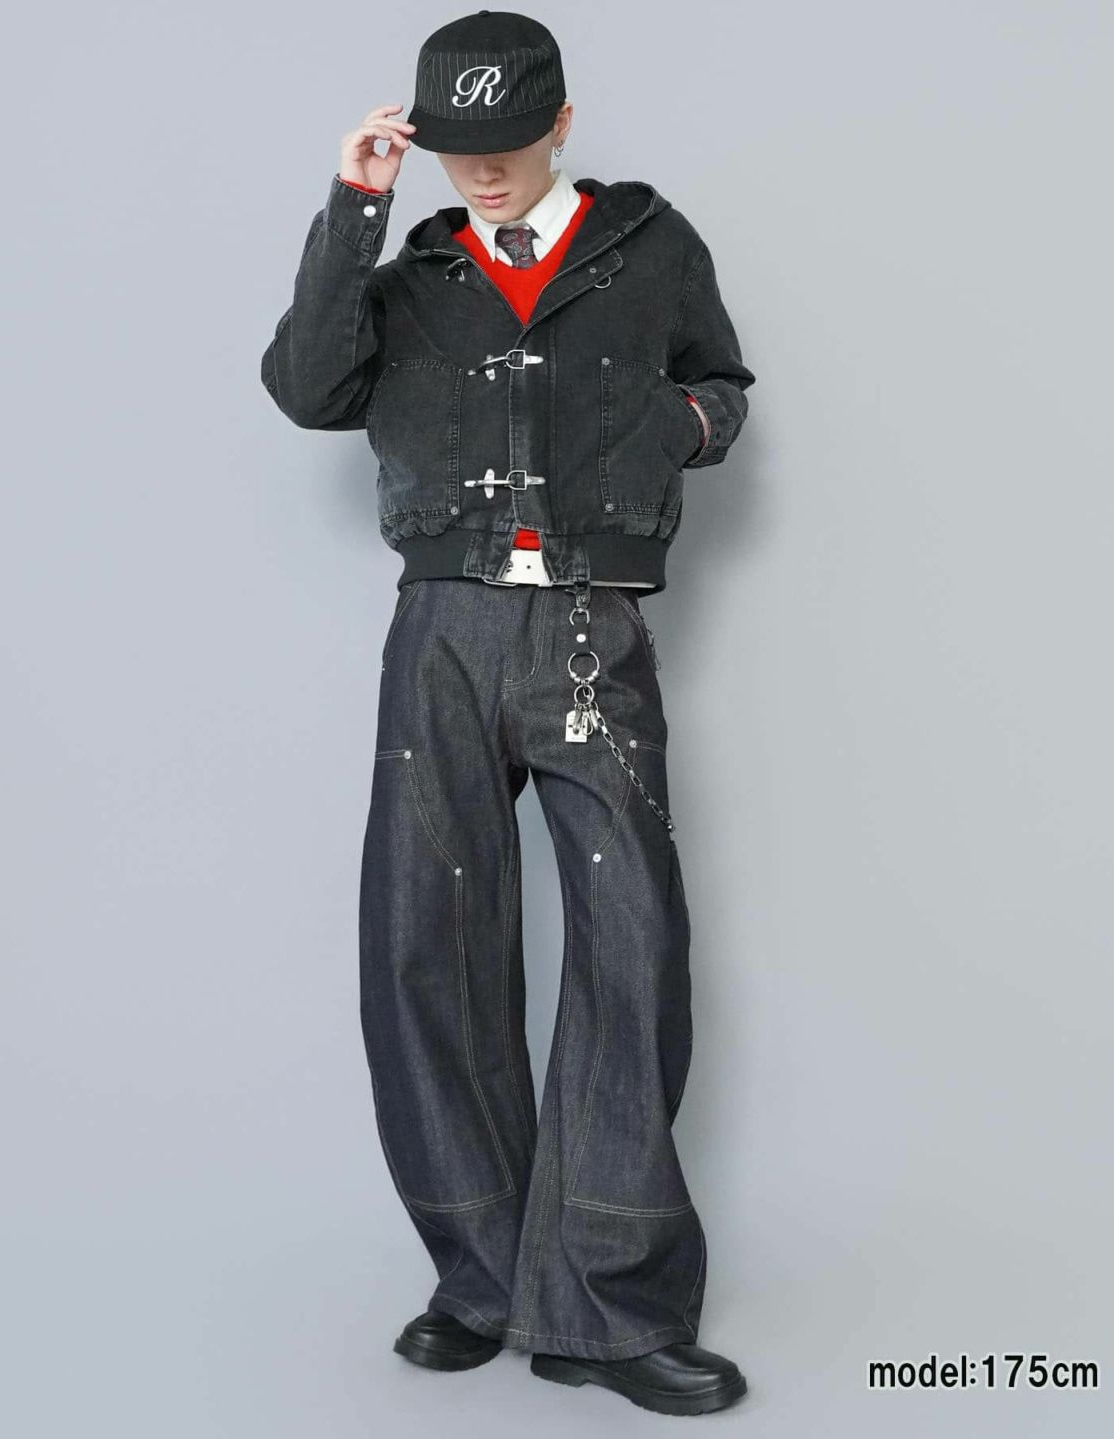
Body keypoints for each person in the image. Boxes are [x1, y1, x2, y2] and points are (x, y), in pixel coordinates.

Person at [260, 9, 756, 1417]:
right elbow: (308, 390)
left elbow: (720, 383)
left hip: (595, 624)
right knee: (428, 939)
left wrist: (681, 430)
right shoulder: (408, 269)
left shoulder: (649, 245)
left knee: (630, 945)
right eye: (455, 147)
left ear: (561, 125)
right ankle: (481, 1279)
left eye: (508, 142)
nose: (482, 170)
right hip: (445, 629)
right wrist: (355, 206)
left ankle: (609, 1302)